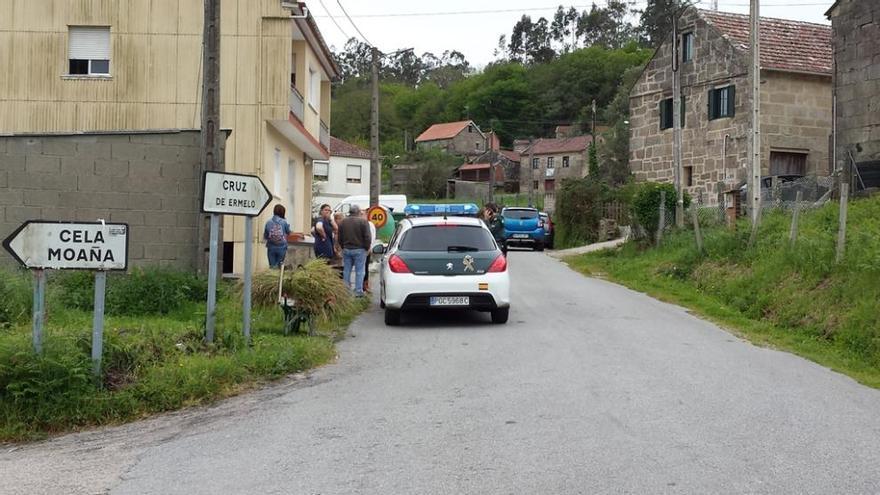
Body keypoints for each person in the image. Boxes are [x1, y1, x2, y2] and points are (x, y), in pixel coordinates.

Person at [337, 205, 372, 297]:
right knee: (360, 270)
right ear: (358, 212)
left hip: (346, 249)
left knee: (347, 270)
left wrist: (342, 246)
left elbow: (339, 237)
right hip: (359, 249)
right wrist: (366, 247)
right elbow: (368, 237)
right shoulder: (363, 222)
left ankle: (346, 290)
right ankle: (358, 291)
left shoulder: (342, 222)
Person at [263, 204, 292, 268]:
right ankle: (278, 277)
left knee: (272, 266)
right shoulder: (284, 222)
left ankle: (272, 277)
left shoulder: (268, 222)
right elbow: (289, 232)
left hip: (271, 247)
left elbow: (265, 236)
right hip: (282, 247)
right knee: (279, 266)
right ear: (283, 212)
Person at [359, 209, 378, 292]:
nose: (361, 215)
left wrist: (370, 247)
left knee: (365, 267)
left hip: (366, 248)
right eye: (360, 214)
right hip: (358, 249)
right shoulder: (358, 224)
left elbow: (372, 236)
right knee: (359, 268)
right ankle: (359, 284)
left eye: (362, 214)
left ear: (366, 215)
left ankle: (365, 284)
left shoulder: (370, 224)